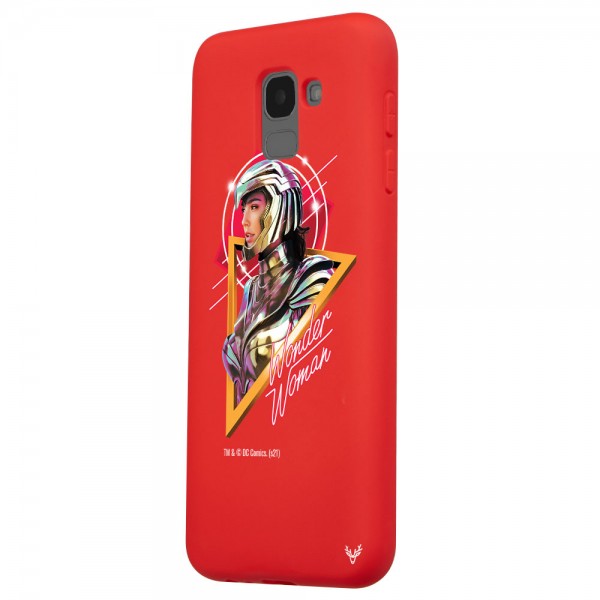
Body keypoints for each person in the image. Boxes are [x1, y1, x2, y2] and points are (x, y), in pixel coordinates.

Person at [222, 159, 335, 407]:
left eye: (254, 207)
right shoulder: (250, 289)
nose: (244, 220)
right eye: (244, 210)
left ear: (280, 208)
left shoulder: (311, 277)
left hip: (290, 420)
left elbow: (318, 371)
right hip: (245, 430)